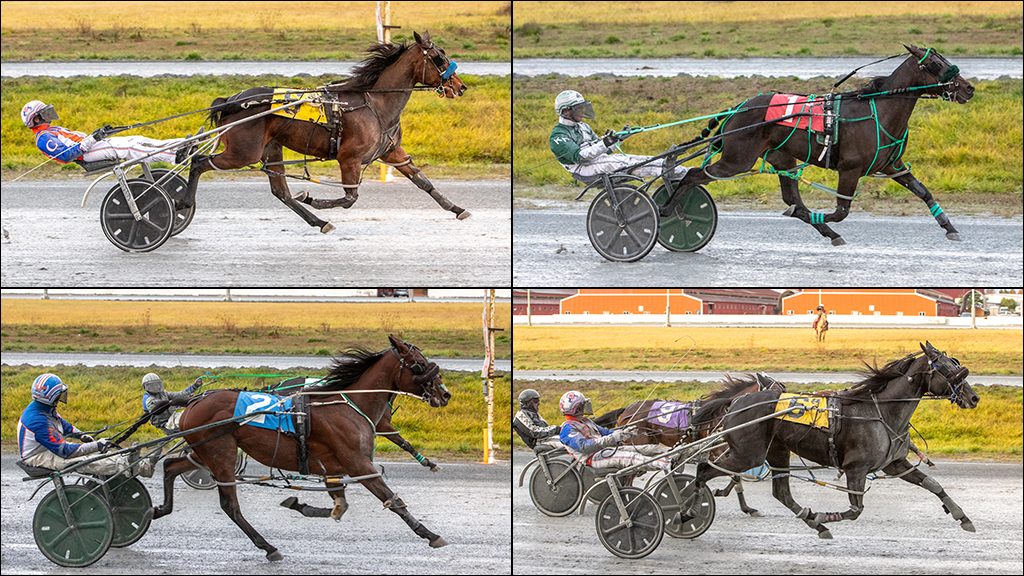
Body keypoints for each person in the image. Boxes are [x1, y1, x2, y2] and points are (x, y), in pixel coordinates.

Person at [17, 373, 155, 477]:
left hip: (48, 449)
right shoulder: (37, 420)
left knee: (95, 452)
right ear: (51, 398)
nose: (62, 396)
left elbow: (64, 425)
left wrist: (82, 435)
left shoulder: (44, 408)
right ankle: (140, 467)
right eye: (60, 394)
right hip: (37, 457)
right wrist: (97, 445)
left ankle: (137, 463)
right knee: (85, 460)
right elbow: (64, 451)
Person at [549, 90, 691, 183]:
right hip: (583, 169)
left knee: (638, 159)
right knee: (627, 164)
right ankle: (680, 173)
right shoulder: (558, 136)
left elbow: (604, 150)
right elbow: (580, 157)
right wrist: (605, 143)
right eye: (578, 108)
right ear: (566, 111)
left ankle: (686, 171)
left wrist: (619, 138)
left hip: (597, 161)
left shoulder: (583, 127)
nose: (582, 111)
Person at [20, 100, 197, 166]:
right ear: (36, 119)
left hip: (93, 146)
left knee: (137, 139)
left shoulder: (51, 130)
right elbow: (66, 155)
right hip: (86, 155)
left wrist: (98, 135)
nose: (49, 114)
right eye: (44, 113)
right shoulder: (43, 138)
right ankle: (174, 157)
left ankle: (182, 144)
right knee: (130, 148)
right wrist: (93, 139)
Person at [558, 390, 674, 473]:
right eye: (583, 405)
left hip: (607, 451)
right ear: (577, 409)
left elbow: (606, 432)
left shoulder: (585, 421)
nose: (586, 407)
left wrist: (625, 433)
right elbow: (585, 447)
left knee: (648, 448)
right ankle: (667, 464)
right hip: (593, 458)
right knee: (631, 457)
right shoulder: (567, 429)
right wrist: (613, 438)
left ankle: (675, 453)